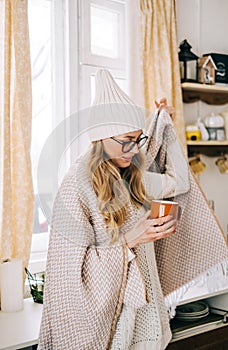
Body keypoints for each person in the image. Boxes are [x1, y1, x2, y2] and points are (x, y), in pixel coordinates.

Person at [38, 69, 227, 350]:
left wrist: (165, 127)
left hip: (147, 310)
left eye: (137, 139)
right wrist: (130, 239)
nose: (133, 148)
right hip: (112, 321)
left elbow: (181, 181)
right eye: (127, 139)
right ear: (103, 137)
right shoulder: (77, 185)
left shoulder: (135, 174)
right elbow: (67, 272)